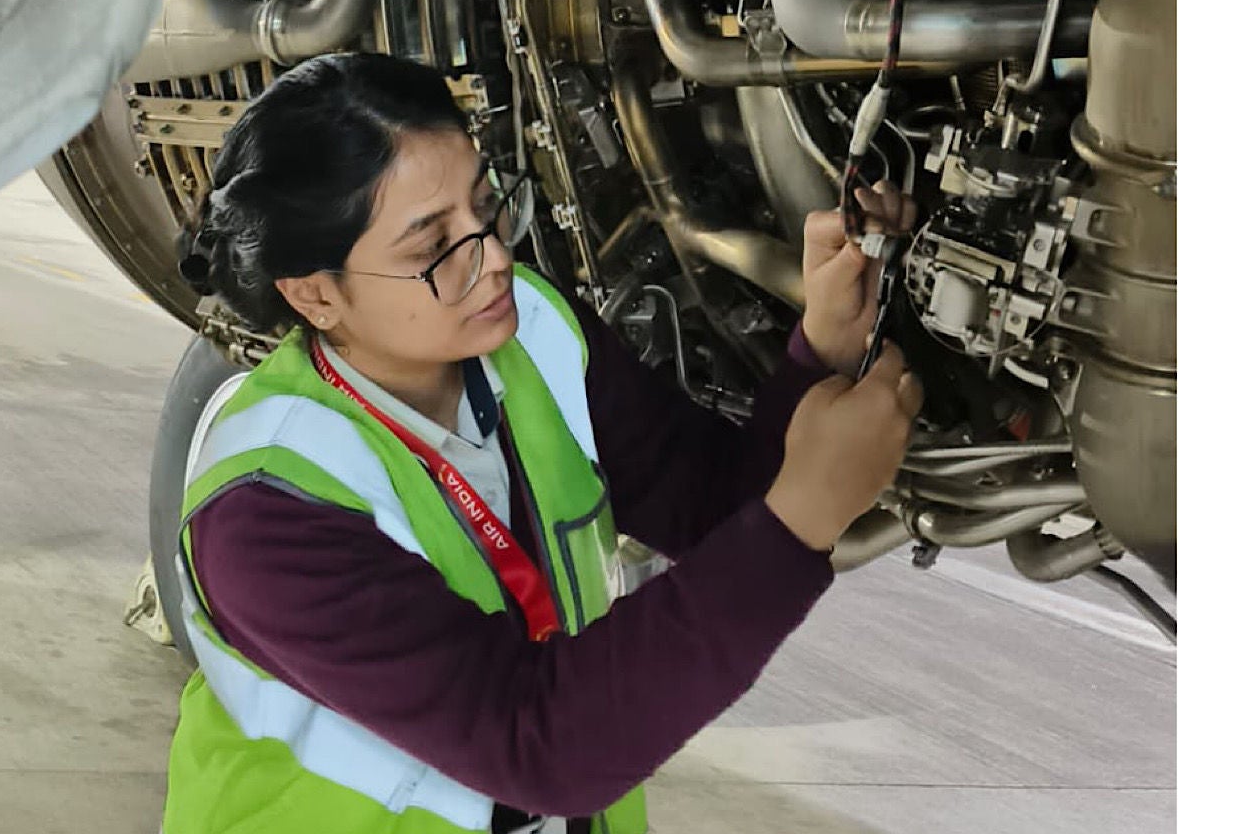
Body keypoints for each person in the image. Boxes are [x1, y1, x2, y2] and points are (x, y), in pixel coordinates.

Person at [164, 53, 922, 834]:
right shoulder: (267, 508)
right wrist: (801, 518)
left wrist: (821, 348)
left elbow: (718, 509)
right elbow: (536, 741)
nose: (493, 259)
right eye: (433, 249)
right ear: (315, 293)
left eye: (487, 207)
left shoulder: (534, 334)